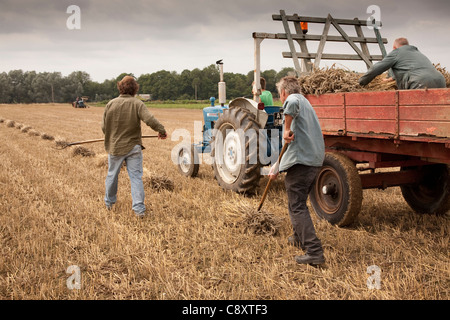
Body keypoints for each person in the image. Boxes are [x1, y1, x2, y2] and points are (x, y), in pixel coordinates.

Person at [269, 76, 326, 266]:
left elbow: (290, 102)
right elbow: (293, 145)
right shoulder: (306, 103)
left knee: (296, 205)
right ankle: (298, 237)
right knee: (298, 201)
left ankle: (314, 251)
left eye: (280, 95)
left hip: (303, 162)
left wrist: (285, 129)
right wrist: (277, 167)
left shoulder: (293, 100)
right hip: (313, 160)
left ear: (284, 92)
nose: (281, 98)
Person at [102, 76, 167, 217]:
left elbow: (104, 127)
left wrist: (111, 136)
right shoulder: (137, 104)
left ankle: (109, 203)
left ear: (120, 87)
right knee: (136, 177)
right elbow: (149, 119)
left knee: (112, 175)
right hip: (133, 147)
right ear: (134, 89)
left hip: (115, 147)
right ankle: (139, 210)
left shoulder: (110, 104)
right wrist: (161, 130)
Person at [359, 37, 446, 89]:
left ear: (394, 47)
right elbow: (409, 68)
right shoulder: (417, 53)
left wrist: (361, 82)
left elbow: (376, 68)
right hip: (441, 81)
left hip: (419, 83)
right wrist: (390, 79)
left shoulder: (396, 52)